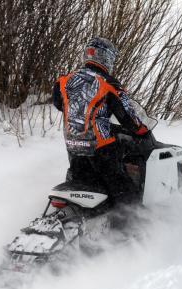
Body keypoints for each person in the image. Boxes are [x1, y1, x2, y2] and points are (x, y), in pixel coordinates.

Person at [52, 37, 149, 205]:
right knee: (123, 189)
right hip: (101, 148)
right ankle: (132, 224)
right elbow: (127, 116)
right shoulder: (108, 84)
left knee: (82, 179)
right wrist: (141, 130)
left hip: (74, 146)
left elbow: (60, 104)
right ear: (106, 58)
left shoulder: (63, 81)